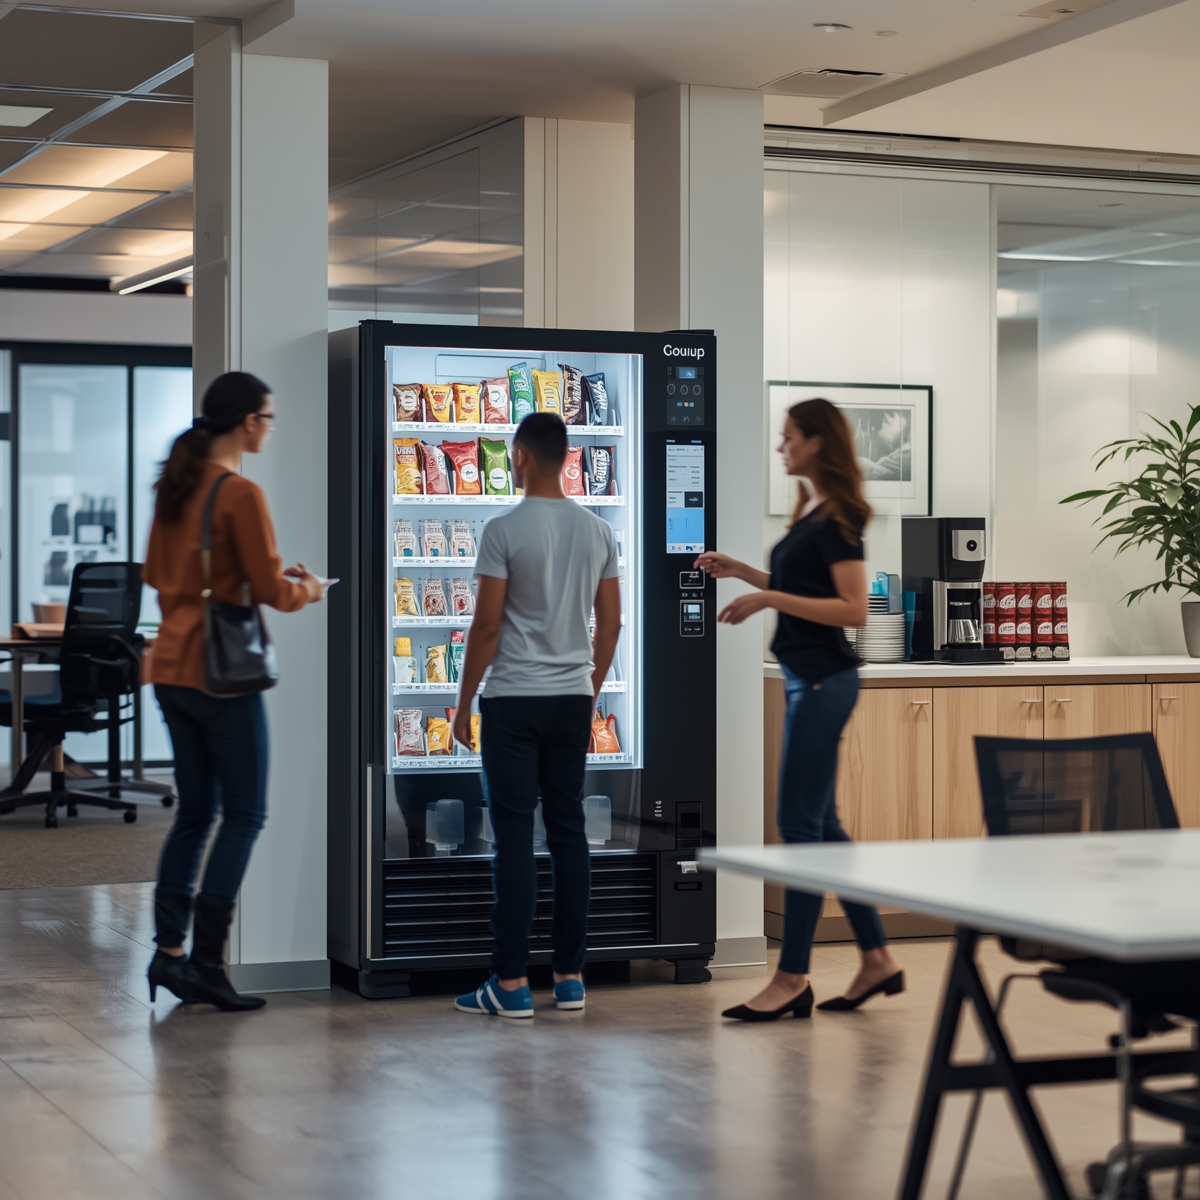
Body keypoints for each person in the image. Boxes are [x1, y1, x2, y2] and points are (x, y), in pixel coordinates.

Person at [695, 398, 903, 1021]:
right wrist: (746, 575)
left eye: (789, 438)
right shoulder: (810, 509)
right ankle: (876, 958)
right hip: (804, 681)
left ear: (817, 443)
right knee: (824, 828)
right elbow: (807, 590)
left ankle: (792, 977)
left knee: (798, 827)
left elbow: (853, 610)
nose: (781, 447)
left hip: (823, 683)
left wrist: (769, 601)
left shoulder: (841, 517)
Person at [144, 372, 328, 1012]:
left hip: (168, 666)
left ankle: (168, 954)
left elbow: (155, 574)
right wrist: (309, 587)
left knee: (195, 813)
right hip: (221, 675)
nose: (270, 428)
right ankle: (207, 966)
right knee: (245, 814)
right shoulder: (238, 493)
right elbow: (273, 592)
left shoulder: (176, 485)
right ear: (248, 422)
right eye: (269, 418)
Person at [451, 412, 621, 1019]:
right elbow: (613, 622)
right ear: (567, 456)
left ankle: (512, 984)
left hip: (513, 701)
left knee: (515, 840)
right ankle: (571, 978)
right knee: (570, 834)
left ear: (519, 455)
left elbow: (488, 624)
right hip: (572, 699)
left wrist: (464, 700)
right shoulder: (599, 531)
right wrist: (591, 686)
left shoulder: (502, 528)